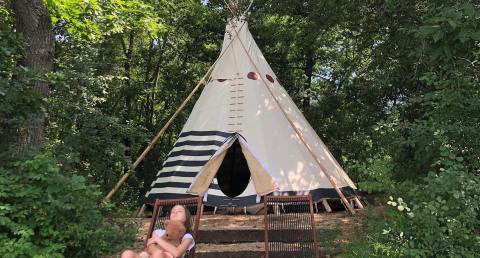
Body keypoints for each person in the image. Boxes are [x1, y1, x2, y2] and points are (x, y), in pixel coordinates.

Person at [121, 205, 195, 258]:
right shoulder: (158, 231)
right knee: (127, 254)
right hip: (150, 255)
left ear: (186, 218)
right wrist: (154, 252)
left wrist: (157, 239)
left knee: (158, 254)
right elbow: (150, 246)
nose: (175, 212)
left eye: (179, 211)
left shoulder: (187, 236)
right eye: (173, 211)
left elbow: (177, 253)